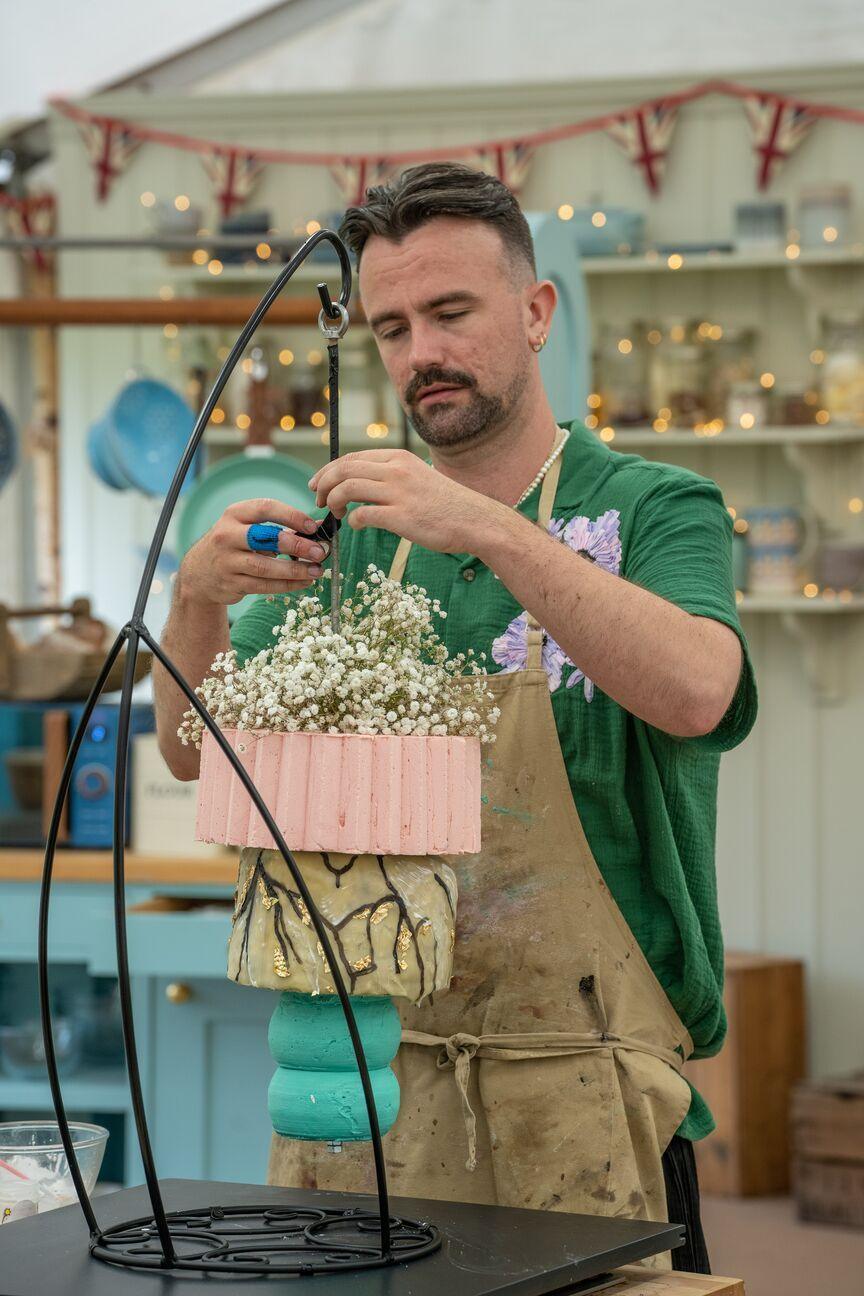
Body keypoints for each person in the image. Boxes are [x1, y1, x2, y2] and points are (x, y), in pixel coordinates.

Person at [154, 162, 757, 1273]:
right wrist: (193, 602)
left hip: (588, 1091)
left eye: (449, 312)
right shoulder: (350, 545)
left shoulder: (653, 508)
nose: (419, 351)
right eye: (390, 326)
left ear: (534, 314)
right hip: (366, 1088)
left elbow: (698, 691)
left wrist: (484, 527)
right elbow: (197, 757)